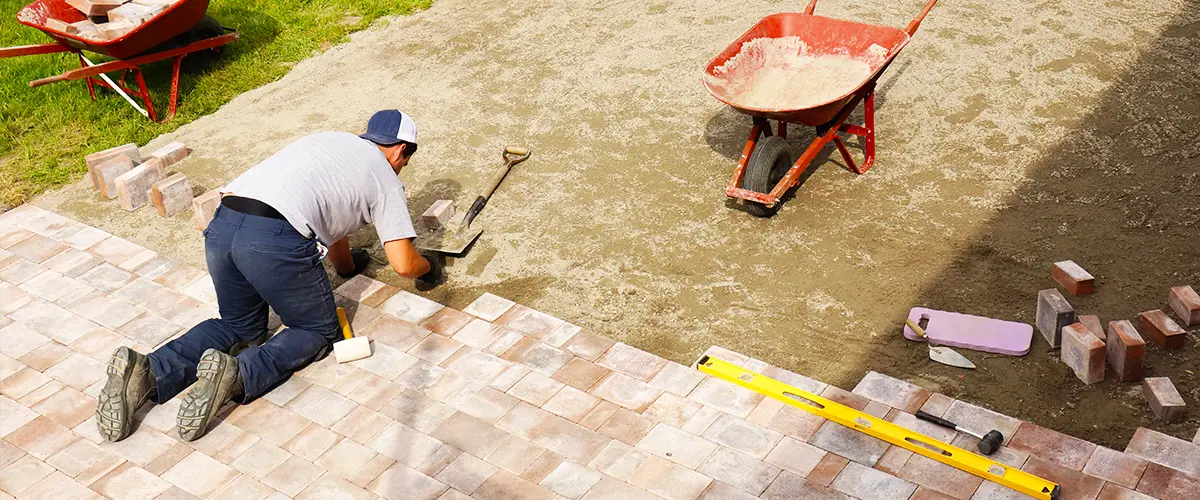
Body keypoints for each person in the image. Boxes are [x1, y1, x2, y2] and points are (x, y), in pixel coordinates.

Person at [95, 109, 442, 442]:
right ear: (400, 150)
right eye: (405, 161)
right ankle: (237, 374)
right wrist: (430, 266)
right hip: (272, 239)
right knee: (316, 329)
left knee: (238, 326)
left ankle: (149, 370)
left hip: (224, 223)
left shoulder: (330, 142)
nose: (401, 168)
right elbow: (404, 265)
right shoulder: (384, 177)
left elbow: (330, 219)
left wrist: (348, 265)